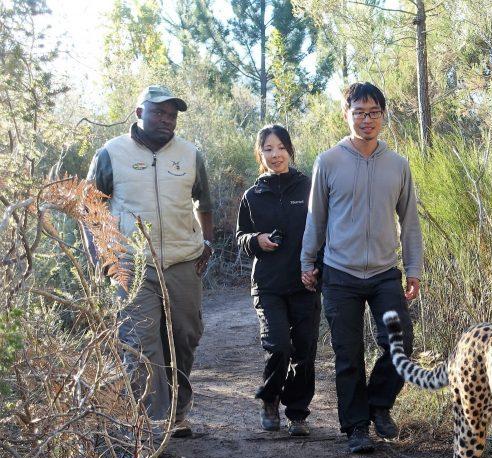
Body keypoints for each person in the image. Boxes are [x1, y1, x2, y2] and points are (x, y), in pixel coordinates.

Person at [300, 82, 422, 454]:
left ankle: (379, 404)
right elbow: (315, 218)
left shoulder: (398, 165)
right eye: (359, 112)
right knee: (348, 353)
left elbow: (410, 221)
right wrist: (308, 261)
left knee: (399, 343)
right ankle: (356, 428)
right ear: (347, 114)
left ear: (383, 116)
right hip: (340, 273)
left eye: (374, 113)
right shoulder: (329, 161)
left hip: (385, 271)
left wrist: (413, 267)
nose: (367, 120)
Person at [86, 85, 214, 437]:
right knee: (140, 343)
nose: (166, 119)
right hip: (132, 265)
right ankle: (152, 423)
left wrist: (207, 242)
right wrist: (101, 256)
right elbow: (90, 207)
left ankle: (178, 410)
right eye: (158, 112)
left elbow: (204, 203)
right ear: (139, 112)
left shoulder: (189, 155)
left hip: (182, 262)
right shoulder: (111, 153)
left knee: (184, 336)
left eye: (172, 114)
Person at [236, 125, 319, 437]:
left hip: (305, 282)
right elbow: (240, 238)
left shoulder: (308, 187)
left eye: (281, 147)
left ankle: (297, 413)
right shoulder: (252, 196)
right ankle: (270, 398)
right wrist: (257, 240)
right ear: (260, 154)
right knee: (279, 346)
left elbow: (322, 231)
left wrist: (317, 269)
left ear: (290, 150)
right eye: (268, 149)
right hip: (268, 285)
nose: (275, 154)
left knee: (305, 350)